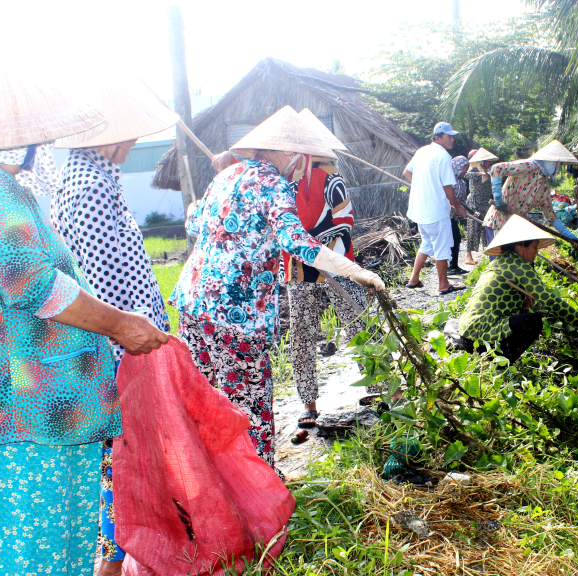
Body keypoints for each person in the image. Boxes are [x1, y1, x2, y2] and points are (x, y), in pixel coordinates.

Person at [0, 65, 167, 576]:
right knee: (42, 557)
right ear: (15, 138)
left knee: (47, 549)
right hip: (29, 408)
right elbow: (34, 284)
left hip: (23, 406)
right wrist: (119, 325)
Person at [170, 106, 383, 469]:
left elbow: (194, 225)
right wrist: (354, 270)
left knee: (209, 402)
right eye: (303, 156)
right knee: (251, 408)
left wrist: (195, 209)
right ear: (287, 152)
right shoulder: (272, 182)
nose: (305, 165)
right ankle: (261, 495)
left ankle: (221, 483)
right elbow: (295, 240)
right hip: (234, 315)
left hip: (193, 306)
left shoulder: (227, 174)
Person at [51, 77, 179, 576]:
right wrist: (131, 340)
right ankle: (113, 560)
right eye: (128, 136)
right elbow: (103, 282)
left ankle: (122, 553)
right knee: (121, 460)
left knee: (126, 458)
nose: (131, 145)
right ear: (107, 138)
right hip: (119, 352)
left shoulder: (95, 179)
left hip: (124, 345)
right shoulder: (90, 188)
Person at [287, 109, 367, 428]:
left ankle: (377, 388)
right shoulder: (281, 175)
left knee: (358, 322)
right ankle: (308, 404)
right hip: (298, 265)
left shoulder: (329, 168)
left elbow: (344, 218)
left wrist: (323, 254)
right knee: (302, 335)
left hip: (335, 261)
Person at [458, 215, 578, 363]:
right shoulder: (519, 266)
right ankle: (501, 365)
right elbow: (549, 300)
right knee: (533, 322)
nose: (536, 253)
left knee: (524, 313)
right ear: (522, 245)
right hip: (479, 336)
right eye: (534, 247)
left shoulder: (501, 262)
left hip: (467, 333)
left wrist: (521, 300)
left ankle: (494, 359)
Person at [403, 122, 467, 295]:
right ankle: (443, 284)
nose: (452, 139)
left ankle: (414, 279)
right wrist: (458, 207)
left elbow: (407, 173)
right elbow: (448, 187)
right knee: (441, 247)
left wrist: (422, 186)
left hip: (420, 209)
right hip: (436, 210)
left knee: (426, 243)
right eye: (449, 136)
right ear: (438, 137)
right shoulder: (443, 155)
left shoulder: (421, 151)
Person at [482, 140, 578, 243]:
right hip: (499, 221)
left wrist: (568, 235)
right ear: (551, 161)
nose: (559, 169)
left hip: (517, 227)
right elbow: (496, 168)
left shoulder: (544, 186)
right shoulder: (528, 166)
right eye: (559, 164)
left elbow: (550, 216)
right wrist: (498, 197)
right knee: (500, 259)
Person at [464, 147, 499, 265]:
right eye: (487, 161)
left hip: (486, 202)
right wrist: (481, 173)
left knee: (486, 228)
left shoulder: (489, 171)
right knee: (473, 229)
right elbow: (466, 175)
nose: (489, 163)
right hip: (474, 202)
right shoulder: (474, 169)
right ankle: (468, 255)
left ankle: (487, 252)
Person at [447, 154, 470, 275]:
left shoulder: (462, 183)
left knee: (456, 239)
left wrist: (471, 211)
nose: (465, 172)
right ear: (458, 167)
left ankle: (454, 266)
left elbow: (462, 202)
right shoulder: (447, 181)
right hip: (445, 216)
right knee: (448, 241)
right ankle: (448, 267)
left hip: (454, 217)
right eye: (465, 169)